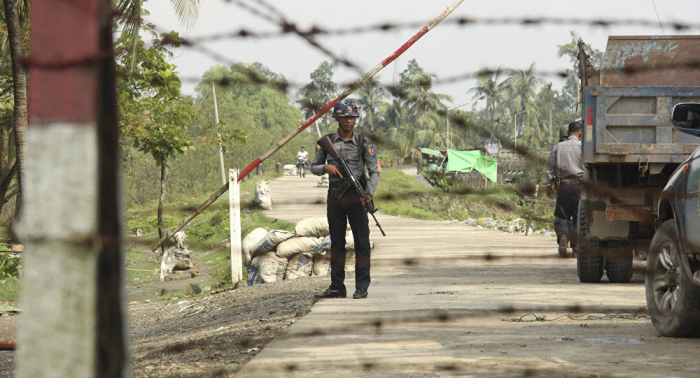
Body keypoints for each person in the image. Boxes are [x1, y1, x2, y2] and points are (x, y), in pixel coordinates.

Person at [310, 100, 379, 299]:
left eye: (352, 117)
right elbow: (313, 167)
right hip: (335, 195)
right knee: (337, 242)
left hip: (357, 195)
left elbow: (374, 171)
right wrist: (325, 168)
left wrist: (369, 193)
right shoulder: (327, 141)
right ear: (337, 119)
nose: (349, 121)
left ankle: (362, 286)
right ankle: (337, 286)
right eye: (345, 117)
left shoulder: (363, 142)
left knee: (362, 242)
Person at [545, 121, 584, 257]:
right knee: (579, 217)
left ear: (568, 134)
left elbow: (550, 168)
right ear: (581, 134)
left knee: (562, 214)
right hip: (580, 186)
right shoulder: (583, 147)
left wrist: (548, 185)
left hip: (563, 186)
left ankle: (563, 235)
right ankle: (575, 248)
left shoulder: (558, 147)